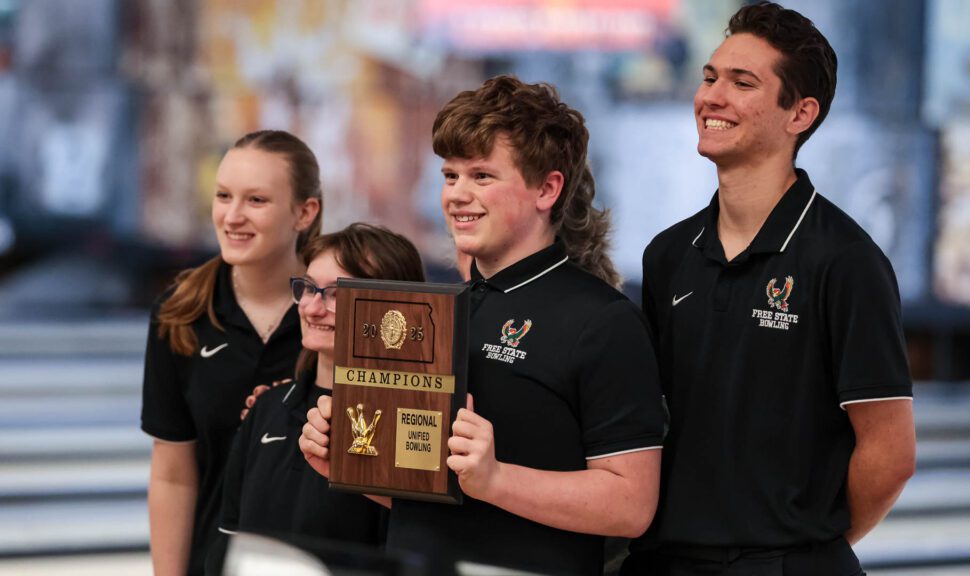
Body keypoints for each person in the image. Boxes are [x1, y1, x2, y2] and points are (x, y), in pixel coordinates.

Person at [300, 75, 666, 576]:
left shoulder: (603, 321)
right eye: (450, 176)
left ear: (547, 188)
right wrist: (348, 457)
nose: (457, 195)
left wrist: (496, 479)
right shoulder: (435, 311)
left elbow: (631, 505)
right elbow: (429, 490)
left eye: (481, 176)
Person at [625, 3, 916, 575]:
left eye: (742, 82)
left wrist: (805, 545)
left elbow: (890, 455)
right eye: (710, 77)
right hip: (666, 562)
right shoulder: (667, 255)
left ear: (799, 114)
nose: (712, 96)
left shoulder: (847, 261)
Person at [141, 129, 322, 576]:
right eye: (224, 196)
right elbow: (172, 474)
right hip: (216, 562)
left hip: (322, 561)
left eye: (256, 200)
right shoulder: (179, 313)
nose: (232, 216)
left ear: (304, 212)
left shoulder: (334, 313)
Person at [206, 224, 427, 574]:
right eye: (308, 288)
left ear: (393, 310)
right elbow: (229, 541)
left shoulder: (410, 429)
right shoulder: (267, 408)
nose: (311, 307)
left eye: (336, 294)